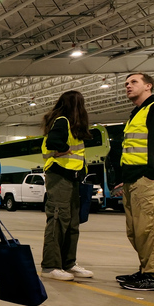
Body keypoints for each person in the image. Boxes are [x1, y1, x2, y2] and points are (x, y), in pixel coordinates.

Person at [116, 73, 154, 291]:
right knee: (136, 231)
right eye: (126, 83)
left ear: (148, 86)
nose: (128, 86)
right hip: (132, 180)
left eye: (133, 82)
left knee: (151, 228)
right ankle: (147, 269)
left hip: (149, 179)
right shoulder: (136, 113)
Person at [39, 91, 94, 281]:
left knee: (72, 222)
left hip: (73, 178)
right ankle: (50, 266)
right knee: (57, 219)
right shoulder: (62, 121)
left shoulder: (72, 126)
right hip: (59, 177)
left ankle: (68, 263)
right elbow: (54, 141)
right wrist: (64, 149)